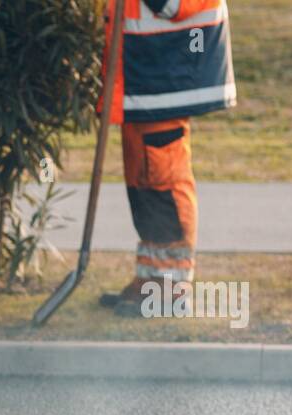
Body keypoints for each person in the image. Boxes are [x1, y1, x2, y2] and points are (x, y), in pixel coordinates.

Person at [100, 0, 236, 318]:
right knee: (142, 178)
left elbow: (172, 5)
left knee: (164, 180)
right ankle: (151, 276)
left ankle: (173, 287)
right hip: (143, 67)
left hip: (170, 67)